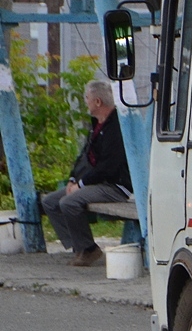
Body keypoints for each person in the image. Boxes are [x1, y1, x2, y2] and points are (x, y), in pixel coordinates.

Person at [41, 80, 132, 266]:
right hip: (92, 181)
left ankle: (89, 249)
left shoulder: (115, 127)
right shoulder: (97, 125)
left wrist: (81, 185)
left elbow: (109, 167)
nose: (85, 101)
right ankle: (78, 246)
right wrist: (73, 179)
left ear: (98, 102)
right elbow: (84, 155)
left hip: (113, 185)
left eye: (87, 98)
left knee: (69, 202)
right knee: (49, 201)